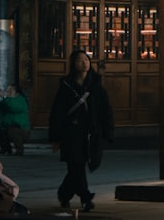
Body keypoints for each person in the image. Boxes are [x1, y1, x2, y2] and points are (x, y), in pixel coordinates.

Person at [49, 50, 115, 211]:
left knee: (77, 166)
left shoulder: (96, 85)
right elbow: (57, 112)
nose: (84, 63)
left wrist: (108, 131)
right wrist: (55, 137)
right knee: (76, 164)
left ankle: (64, 194)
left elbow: (105, 110)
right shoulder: (66, 85)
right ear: (73, 64)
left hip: (90, 132)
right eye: (80, 60)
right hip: (71, 133)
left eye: (86, 59)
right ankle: (86, 197)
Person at [0, 84, 31, 155]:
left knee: (12, 131)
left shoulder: (21, 100)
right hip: (7, 127)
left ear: (17, 93)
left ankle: (19, 149)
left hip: (21, 129)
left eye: (11, 90)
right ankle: (5, 148)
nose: (8, 92)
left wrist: (4, 97)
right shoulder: (7, 101)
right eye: (7, 90)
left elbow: (13, 107)